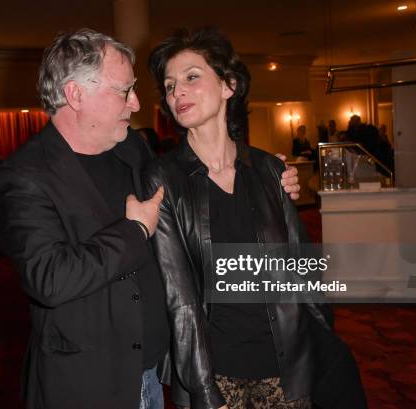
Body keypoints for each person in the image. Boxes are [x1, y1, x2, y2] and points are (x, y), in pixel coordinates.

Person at [0, 28, 301, 409]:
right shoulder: (24, 176)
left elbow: (194, 182)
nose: (137, 103)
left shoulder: (132, 147)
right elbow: (49, 279)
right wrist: (135, 230)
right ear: (75, 95)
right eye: (124, 91)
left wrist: (267, 172)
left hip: (153, 375)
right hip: (89, 388)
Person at [146, 28, 367, 409]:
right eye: (169, 85)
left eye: (191, 77)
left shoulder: (269, 169)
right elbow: (178, 298)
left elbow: (302, 268)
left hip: (287, 369)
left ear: (229, 85)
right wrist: (201, 389)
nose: (177, 92)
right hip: (216, 375)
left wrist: (322, 347)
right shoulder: (164, 178)